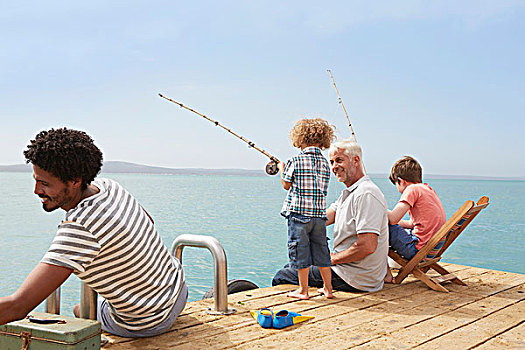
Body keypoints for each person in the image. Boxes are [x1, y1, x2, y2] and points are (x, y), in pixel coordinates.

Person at [0, 128, 187, 338]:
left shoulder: (80, 227)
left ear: (74, 181)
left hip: (148, 321)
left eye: (44, 183)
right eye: (35, 180)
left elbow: (17, 306)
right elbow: (148, 220)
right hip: (178, 290)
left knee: (80, 310)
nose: (36, 190)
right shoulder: (109, 187)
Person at [273, 139, 389, 293]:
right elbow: (324, 217)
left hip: (355, 278)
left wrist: (333, 258)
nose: (334, 167)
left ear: (356, 160)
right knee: (293, 266)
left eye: (339, 160)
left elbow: (367, 246)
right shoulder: (349, 193)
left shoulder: (366, 193)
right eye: (332, 162)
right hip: (349, 271)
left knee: (282, 275)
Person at [277, 118, 335, 300]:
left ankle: (303, 290)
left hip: (299, 216)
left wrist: (281, 168)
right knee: (322, 251)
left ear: (299, 138)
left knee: (300, 251)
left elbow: (286, 184)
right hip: (319, 217)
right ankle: (328, 289)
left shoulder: (295, 160)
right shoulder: (326, 164)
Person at [385, 156, 446, 282]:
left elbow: (393, 219)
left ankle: (384, 273)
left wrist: (376, 204)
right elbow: (411, 223)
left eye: (396, 185)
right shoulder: (427, 189)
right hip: (432, 248)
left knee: (381, 226)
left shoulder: (411, 189)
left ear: (401, 181)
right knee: (389, 225)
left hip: (416, 249)